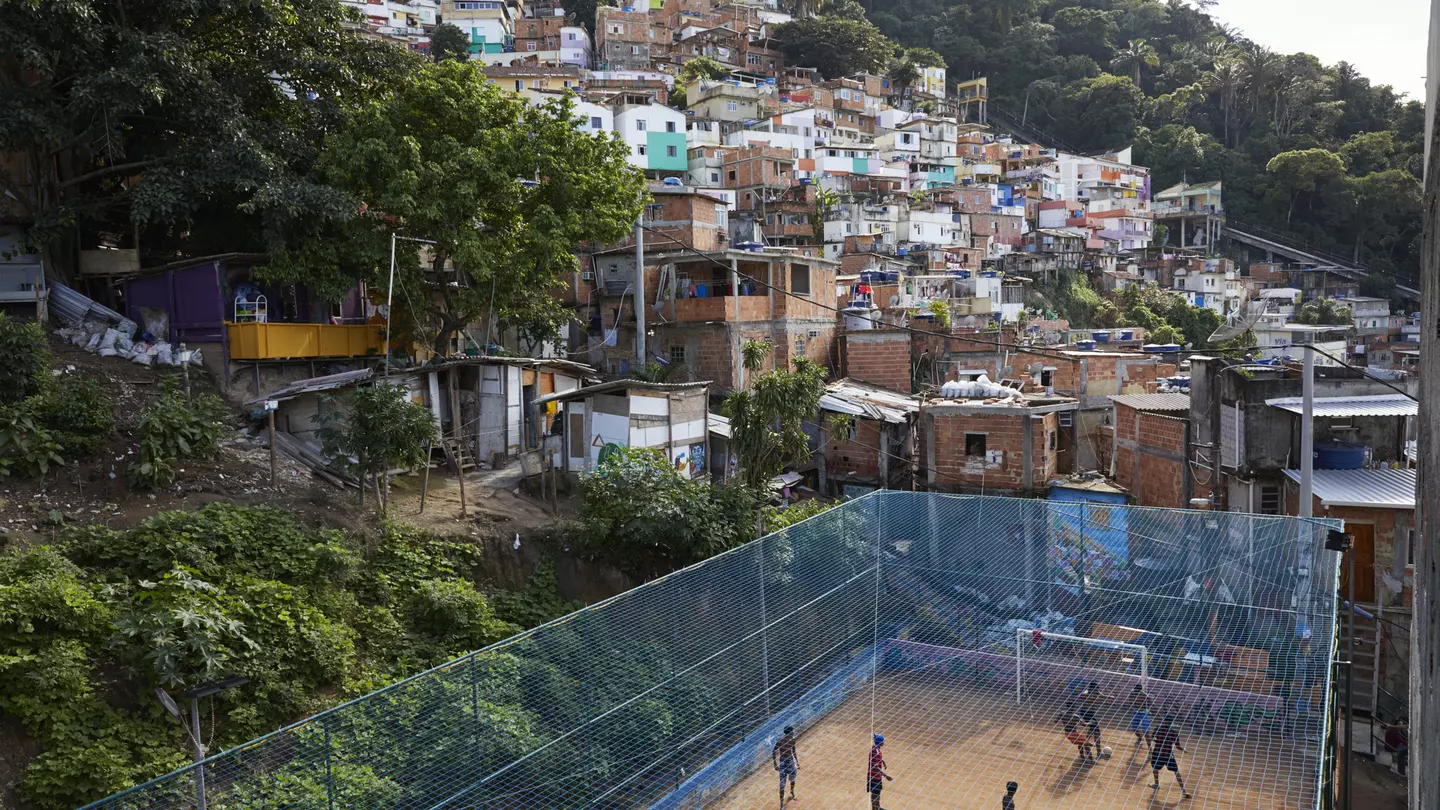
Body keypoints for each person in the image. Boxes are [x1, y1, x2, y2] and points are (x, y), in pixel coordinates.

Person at [1150, 715, 1193, 799]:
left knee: (1155, 769)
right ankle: (1183, 791)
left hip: (1157, 753)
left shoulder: (1158, 729)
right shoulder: (1174, 733)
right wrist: (1183, 749)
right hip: (1168, 755)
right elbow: (1177, 746)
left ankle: (1156, 784)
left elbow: (1152, 738)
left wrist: (1158, 741)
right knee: (1176, 772)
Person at [772, 725, 800, 807]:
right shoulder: (781, 740)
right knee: (782, 785)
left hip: (790, 761)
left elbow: (793, 751)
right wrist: (775, 764)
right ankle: (781, 804)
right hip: (783, 763)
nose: (793, 732)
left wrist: (797, 762)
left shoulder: (793, 740)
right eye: (792, 731)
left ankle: (792, 791)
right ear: (789, 732)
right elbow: (774, 751)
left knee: (793, 779)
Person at [868, 733, 893, 810]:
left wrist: (883, 761)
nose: (883, 742)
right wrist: (886, 776)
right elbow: (875, 767)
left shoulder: (874, 749)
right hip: (876, 779)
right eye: (882, 741)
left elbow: (874, 759)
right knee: (875, 804)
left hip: (871, 777)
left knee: (874, 802)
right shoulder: (877, 753)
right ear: (880, 742)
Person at [1079, 681, 1105, 750]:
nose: (1097, 690)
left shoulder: (1096, 692)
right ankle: (1098, 749)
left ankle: (1086, 741)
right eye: (1096, 688)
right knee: (1096, 730)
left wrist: (1109, 697)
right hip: (1085, 713)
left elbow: (1102, 696)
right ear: (1091, 688)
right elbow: (1081, 695)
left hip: (1090, 713)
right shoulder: (1087, 692)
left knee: (1092, 728)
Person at [1130, 684, 1153, 750]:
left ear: (1140, 690)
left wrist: (1148, 708)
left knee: (1146, 731)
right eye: (1135, 690)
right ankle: (1140, 738)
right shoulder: (1132, 694)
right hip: (1136, 712)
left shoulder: (1145, 696)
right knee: (1134, 729)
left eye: (1137, 691)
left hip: (1144, 713)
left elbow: (1150, 702)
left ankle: (1149, 747)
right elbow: (1130, 701)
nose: (1136, 692)